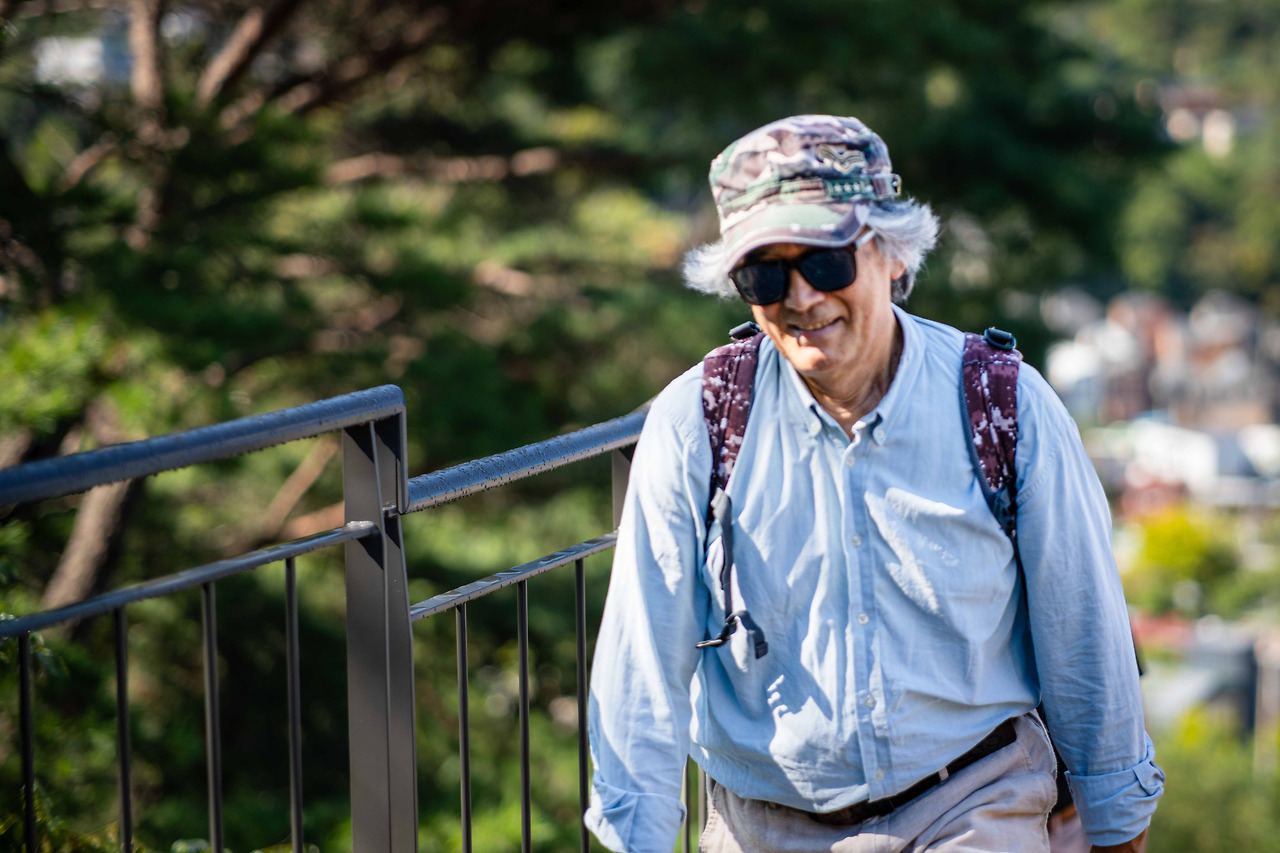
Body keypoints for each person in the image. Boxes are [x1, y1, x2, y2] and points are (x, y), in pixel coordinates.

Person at [585, 114, 1162, 853]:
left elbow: (1084, 632)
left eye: (826, 261)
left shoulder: (1003, 405)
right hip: (762, 824)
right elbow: (642, 660)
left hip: (971, 800)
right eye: (765, 274)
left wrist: (1116, 822)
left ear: (891, 252)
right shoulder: (697, 421)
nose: (801, 297)